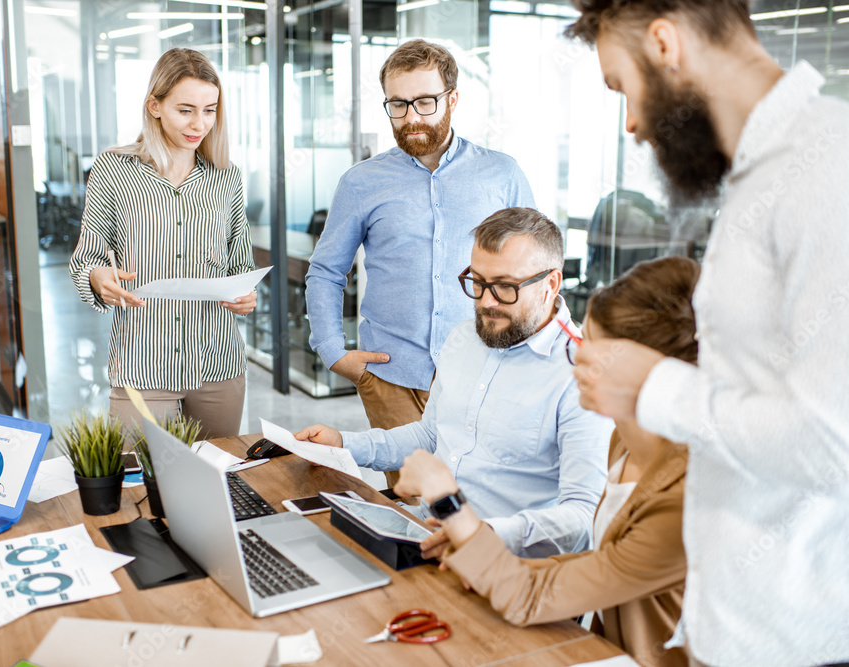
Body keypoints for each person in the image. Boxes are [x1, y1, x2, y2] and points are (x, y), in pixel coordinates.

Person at [564, 2, 849, 665]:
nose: (629, 123)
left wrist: (655, 387)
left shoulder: (835, 160)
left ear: (664, 44)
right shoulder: (755, 178)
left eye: (622, 86)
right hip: (730, 639)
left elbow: (841, 449)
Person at [395, 257, 702, 667]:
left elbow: (529, 597)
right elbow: (605, 563)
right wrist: (484, 547)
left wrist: (447, 500)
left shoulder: (684, 499)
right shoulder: (623, 445)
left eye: (594, 350)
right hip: (593, 641)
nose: (577, 362)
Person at [298, 208, 611, 558]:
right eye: (477, 282)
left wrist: (476, 532)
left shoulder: (582, 373)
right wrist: (342, 445)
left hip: (502, 565)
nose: (486, 302)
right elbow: (431, 435)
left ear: (550, 284)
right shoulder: (465, 337)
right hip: (424, 535)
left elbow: (585, 518)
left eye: (505, 287)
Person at [305, 40, 536, 487]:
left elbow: (531, 272)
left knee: (473, 496)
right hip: (391, 374)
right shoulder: (361, 182)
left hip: (481, 371)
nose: (411, 117)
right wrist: (334, 352)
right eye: (398, 104)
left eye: (425, 102)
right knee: (412, 503)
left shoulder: (502, 175)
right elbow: (327, 270)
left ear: (452, 98)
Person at [69, 48, 256, 442]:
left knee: (217, 481)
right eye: (185, 110)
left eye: (210, 110)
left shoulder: (226, 177)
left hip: (217, 363)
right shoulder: (113, 169)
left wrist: (245, 296)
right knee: (140, 495)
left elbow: (241, 265)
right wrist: (99, 277)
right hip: (143, 364)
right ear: (154, 105)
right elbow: (86, 258)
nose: (200, 123)